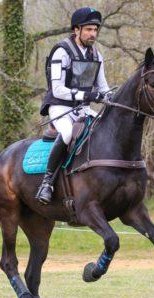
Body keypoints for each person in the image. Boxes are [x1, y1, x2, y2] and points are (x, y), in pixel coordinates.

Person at [36, 7, 110, 204]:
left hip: (82, 108)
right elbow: (58, 89)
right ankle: (47, 182)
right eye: (89, 30)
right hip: (59, 106)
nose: (93, 34)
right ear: (76, 30)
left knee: (104, 129)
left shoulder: (96, 55)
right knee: (68, 134)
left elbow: (103, 87)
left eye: (95, 30)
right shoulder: (62, 51)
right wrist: (88, 94)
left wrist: (112, 98)